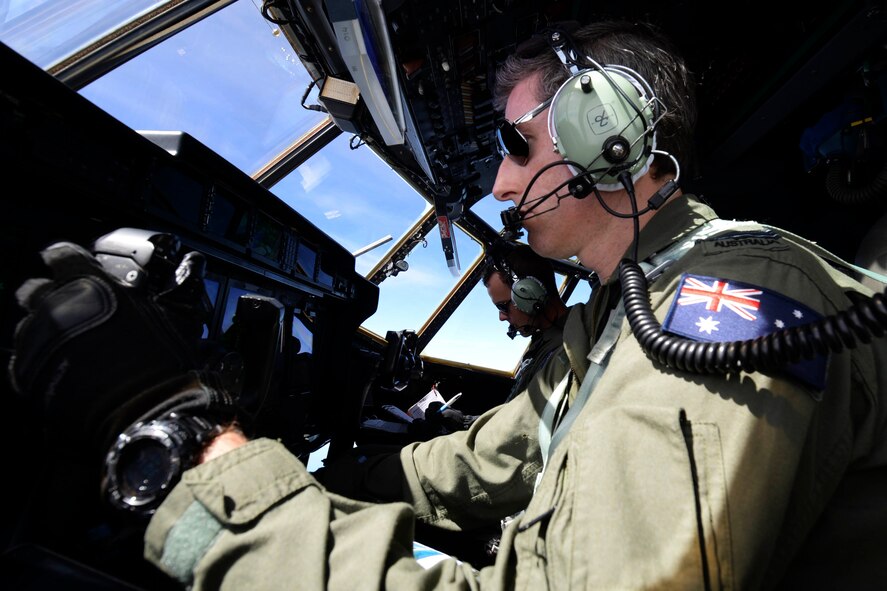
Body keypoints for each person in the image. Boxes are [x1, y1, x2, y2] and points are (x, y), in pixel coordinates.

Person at [12, 19, 887, 590]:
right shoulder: (616, 310)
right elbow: (491, 458)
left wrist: (192, 459)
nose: (501, 180)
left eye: (516, 142)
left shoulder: (719, 311)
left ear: (607, 135)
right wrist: (335, 476)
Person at [482, 243, 570, 402]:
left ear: (530, 294)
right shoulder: (543, 340)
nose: (501, 317)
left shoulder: (566, 349)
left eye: (502, 306)